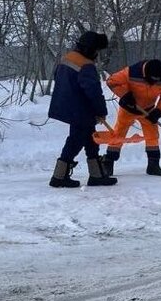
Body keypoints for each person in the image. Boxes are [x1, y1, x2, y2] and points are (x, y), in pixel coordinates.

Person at [48, 31, 118, 187]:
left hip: (67, 105)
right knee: (76, 140)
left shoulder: (68, 58)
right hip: (80, 109)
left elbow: (58, 78)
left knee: (90, 138)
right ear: (92, 49)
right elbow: (93, 91)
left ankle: (97, 175)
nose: (97, 55)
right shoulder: (86, 65)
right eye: (97, 51)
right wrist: (101, 111)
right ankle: (59, 176)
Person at [101, 59, 161, 176]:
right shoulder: (132, 72)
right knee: (118, 134)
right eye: (151, 79)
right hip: (128, 108)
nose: (153, 82)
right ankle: (108, 162)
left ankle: (153, 165)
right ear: (146, 74)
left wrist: (158, 111)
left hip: (148, 111)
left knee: (153, 136)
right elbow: (111, 81)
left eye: (156, 80)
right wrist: (125, 95)